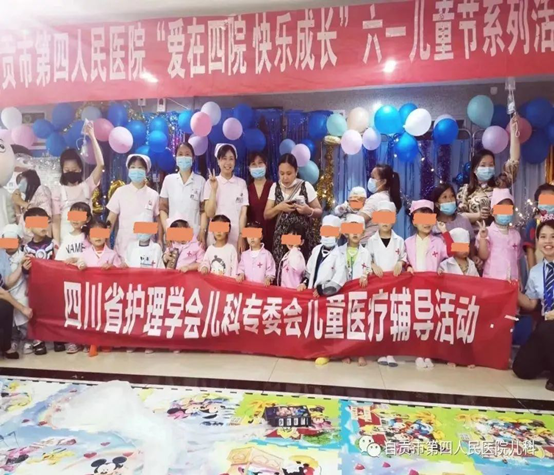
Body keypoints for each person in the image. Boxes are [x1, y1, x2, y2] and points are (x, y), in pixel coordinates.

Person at [405, 200, 453, 369]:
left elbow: (452, 251)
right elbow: (404, 260)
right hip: (415, 287)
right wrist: (407, 266)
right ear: (414, 221)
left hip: (433, 287)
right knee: (417, 320)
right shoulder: (408, 242)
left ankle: (428, 353)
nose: (426, 223)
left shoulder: (438, 242)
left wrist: (445, 232)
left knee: (431, 320)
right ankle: (419, 353)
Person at [457, 116, 520, 231]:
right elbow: (459, 217)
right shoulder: (466, 190)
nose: (487, 168)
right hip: (475, 235)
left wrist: (514, 132)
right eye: (483, 165)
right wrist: (478, 215)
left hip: (499, 234)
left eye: (491, 165)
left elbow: (514, 160)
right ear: (474, 169)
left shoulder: (500, 183)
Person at [299, 214, 345, 366]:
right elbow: (309, 271)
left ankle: (325, 353)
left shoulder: (340, 256)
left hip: (327, 297)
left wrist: (322, 289)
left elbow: (339, 280)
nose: (327, 235)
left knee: (325, 325)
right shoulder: (316, 250)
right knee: (311, 324)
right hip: (312, 295)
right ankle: (311, 350)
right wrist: (304, 282)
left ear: (338, 235)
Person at [514, 218, 554, 391]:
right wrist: (513, 291)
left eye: (553, 237)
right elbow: (531, 304)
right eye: (543, 237)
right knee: (522, 368)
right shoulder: (536, 272)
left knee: (546, 327)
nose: (548, 241)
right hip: (546, 328)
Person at [366, 201, 407, 368]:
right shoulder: (371, 241)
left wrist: (401, 263)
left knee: (392, 318)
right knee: (379, 318)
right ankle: (380, 351)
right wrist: (372, 265)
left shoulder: (399, 241)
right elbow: (366, 259)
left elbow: (404, 257)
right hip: (378, 286)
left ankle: (390, 352)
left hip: (394, 286)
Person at [264, 154, 322, 269]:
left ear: (296, 171)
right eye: (281, 173)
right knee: (283, 271)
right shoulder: (275, 187)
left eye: (289, 173)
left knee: (301, 271)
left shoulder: (305, 186)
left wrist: (308, 211)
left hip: (302, 240)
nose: (285, 177)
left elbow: (319, 211)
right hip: (282, 241)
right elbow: (266, 215)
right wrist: (278, 208)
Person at [52, 121, 104, 244]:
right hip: (65, 240)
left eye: (74, 170)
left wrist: (92, 136)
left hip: (86, 240)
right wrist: (56, 243)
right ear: (62, 170)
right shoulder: (57, 191)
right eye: (67, 170)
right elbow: (56, 219)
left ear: (80, 168)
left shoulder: (87, 185)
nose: (71, 172)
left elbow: (101, 164)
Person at [77, 219, 121, 357]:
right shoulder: (85, 254)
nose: (98, 237)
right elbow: (79, 264)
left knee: (106, 317)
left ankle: (106, 341)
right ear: (89, 237)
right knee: (91, 317)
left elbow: (121, 271)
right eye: (94, 234)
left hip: (107, 293)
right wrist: (81, 266)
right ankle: (91, 342)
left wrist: (112, 267)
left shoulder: (112, 254)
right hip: (90, 292)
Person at [333, 214, 370, 367]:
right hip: (343, 291)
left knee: (359, 322)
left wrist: (365, 276)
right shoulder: (338, 251)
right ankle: (345, 352)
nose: (355, 233)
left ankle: (360, 352)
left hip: (359, 292)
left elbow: (368, 269)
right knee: (344, 322)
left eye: (358, 230)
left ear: (363, 233)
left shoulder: (366, 253)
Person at [107, 154, 160, 259]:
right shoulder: (120, 192)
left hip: (147, 251)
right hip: (123, 248)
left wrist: (159, 240)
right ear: (128, 170)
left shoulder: (153, 194)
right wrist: (106, 239)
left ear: (146, 171)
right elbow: (111, 219)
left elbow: (158, 221)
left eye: (140, 168)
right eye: (133, 167)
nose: (136, 170)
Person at [21, 207, 57, 356]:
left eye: (45, 222)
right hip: (36, 287)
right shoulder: (26, 248)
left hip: (53, 285)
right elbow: (26, 271)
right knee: (36, 312)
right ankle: (38, 340)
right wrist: (25, 269)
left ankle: (58, 338)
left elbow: (59, 263)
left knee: (55, 310)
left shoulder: (53, 244)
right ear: (29, 226)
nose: (43, 226)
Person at [159, 141, 207, 247]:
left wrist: (202, 231)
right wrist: (167, 230)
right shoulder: (169, 180)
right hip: (173, 235)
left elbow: (203, 210)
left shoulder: (201, 181)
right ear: (176, 158)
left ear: (193, 158)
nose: (184, 157)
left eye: (187, 154)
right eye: (180, 154)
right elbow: (163, 209)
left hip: (194, 235)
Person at [203, 144, 248, 252]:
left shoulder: (241, 183)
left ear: (235, 161)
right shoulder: (210, 182)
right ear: (218, 161)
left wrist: (241, 236)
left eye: (231, 159)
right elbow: (209, 213)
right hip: (216, 235)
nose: (228, 162)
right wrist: (214, 190)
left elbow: (243, 214)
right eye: (224, 158)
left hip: (235, 235)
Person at [476, 188, 521, 281]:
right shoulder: (487, 232)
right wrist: (483, 238)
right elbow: (483, 256)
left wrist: (519, 279)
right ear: (492, 212)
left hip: (512, 280)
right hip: (492, 280)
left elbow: (517, 260)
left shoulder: (516, 235)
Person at [3, 224, 33, 356]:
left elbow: (31, 275)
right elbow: (7, 282)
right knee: (10, 321)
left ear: (20, 240)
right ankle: (13, 340)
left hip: (21, 290)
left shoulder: (24, 256)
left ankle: (28, 339)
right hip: (6, 293)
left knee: (25, 317)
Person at [359, 164, 402, 245]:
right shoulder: (389, 199)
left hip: (366, 243)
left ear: (383, 181)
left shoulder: (376, 199)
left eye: (373, 177)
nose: (370, 180)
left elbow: (358, 221)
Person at [430, 182, 475, 250]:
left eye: (452, 196)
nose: (449, 200)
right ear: (437, 204)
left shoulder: (463, 220)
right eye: (444, 197)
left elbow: (471, 244)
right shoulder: (432, 224)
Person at [12, 169, 52, 244]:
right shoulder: (29, 199)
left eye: (22, 181)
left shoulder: (42, 190)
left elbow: (43, 218)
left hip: (41, 243)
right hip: (28, 243)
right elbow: (23, 223)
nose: (19, 185)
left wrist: (21, 202)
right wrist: (17, 206)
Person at [247, 152, 275, 252]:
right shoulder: (246, 189)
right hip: (253, 237)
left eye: (260, 163)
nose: (257, 167)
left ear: (266, 165)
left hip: (272, 235)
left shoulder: (274, 187)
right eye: (253, 164)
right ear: (249, 168)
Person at [523, 183, 554, 270]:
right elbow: (530, 251)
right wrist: (532, 272)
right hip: (540, 272)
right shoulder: (533, 224)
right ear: (537, 202)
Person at [236, 221, 276, 286]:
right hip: (246, 288)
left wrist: (268, 279)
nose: (252, 238)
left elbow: (271, 271)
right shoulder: (244, 255)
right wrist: (241, 274)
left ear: (261, 236)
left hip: (261, 289)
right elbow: (241, 269)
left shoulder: (267, 255)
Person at [278, 221, 306, 290]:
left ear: (301, 242)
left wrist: (294, 249)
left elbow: (298, 268)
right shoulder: (287, 254)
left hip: (293, 291)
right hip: (283, 290)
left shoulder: (298, 255)